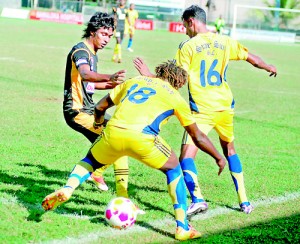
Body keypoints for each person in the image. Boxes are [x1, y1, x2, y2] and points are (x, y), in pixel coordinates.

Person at [42, 60, 226, 241]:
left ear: (159, 72)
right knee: (173, 168)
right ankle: (183, 227)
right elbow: (198, 136)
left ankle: (68, 188)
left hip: (113, 131)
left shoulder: (134, 81)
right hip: (143, 138)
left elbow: (99, 107)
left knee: (89, 161)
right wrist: (218, 157)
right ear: (179, 83)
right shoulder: (176, 98)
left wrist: (98, 123)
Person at [134, 5, 277, 217]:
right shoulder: (225, 41)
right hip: (226, 107)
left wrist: (148, 76)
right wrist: (269, 67)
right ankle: (245, 201)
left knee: (186, 156)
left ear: (191, 21)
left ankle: (198, 199)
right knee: (230, 150)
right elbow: (252, 58)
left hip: (202, 110)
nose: (185, 31)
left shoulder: (188, 46)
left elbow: (175, 80)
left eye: (185, 26)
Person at [63, 11, 129, 197]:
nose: (107, 39)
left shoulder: (93, 54)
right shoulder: (81, 51)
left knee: (119, 136)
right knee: (117, 140)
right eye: (103, 34)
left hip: (90, 109)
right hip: (77, 111)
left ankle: (96, 173)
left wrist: (112, 84)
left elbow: (88, 83)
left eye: (110, 35)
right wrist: (110, 76)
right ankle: (120, 194)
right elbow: (85, 74)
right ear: (92, 32)